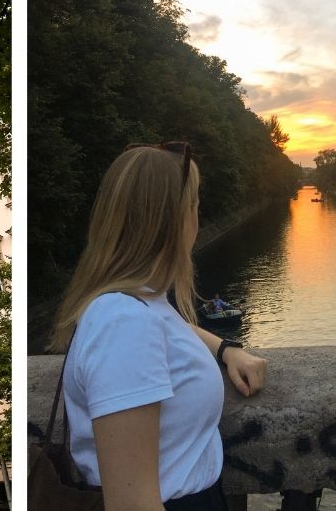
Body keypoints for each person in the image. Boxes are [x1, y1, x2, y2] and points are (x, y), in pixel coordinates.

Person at [51, 143, 269, 511]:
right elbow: (131, 504)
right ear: (177, 219)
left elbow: (169, 330)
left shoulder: (141, 304)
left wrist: (225, 349)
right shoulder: (123, 321)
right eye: (194, 204)